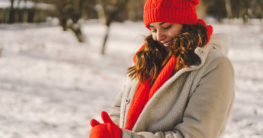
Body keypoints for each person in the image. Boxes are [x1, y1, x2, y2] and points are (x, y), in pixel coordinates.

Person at [89, 0, 235, 137]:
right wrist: (109, 129)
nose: (158, 37)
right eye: (153, 29)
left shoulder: (215, 65)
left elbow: (193, 134)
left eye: (166, 27)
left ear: (186, 22)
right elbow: (119, 110)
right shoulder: (146, 59)